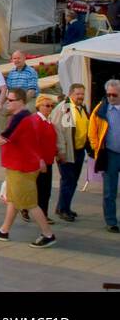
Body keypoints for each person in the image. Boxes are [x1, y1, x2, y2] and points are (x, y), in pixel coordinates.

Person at [0, 88, 57, 247]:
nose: (7, 102)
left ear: (20, 101)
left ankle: (48, 234)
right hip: (19, 165)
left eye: (10, 100)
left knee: (30, 203)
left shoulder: (21, 118)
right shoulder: (25, 116)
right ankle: (4, 231)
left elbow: (4, 138)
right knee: (13, 199)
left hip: (22, 167)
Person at [85, 79, 120, 233]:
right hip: (110, 153)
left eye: (114, 95)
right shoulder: (101, 109)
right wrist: (97, 147)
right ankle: (111, 221)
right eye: (108, 94)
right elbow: (91, 131)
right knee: (109, 190)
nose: (111, 98)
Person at [51, 83, 89, 222]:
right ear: (71, 93)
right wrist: (61, 152)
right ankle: (63, 209)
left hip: (79, 151)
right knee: (68, 181)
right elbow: (59, 132)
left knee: (72, 181)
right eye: (78, 94)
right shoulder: (65, 108)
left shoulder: (81, 107)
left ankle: (64, 206)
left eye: (82, 94)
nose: (80, 96)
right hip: (67, 152)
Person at [31, 94, 59, 223]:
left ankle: (43, 215)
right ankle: (39, 215)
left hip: (48, 161)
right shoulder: (37, 120)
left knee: (45, 190)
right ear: (39, 106)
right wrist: (39, 159)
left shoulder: (47, 121)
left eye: (52, 106)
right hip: (39, 162)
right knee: (39, 190)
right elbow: (33, 142)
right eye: (47, 106)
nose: (50, 108)